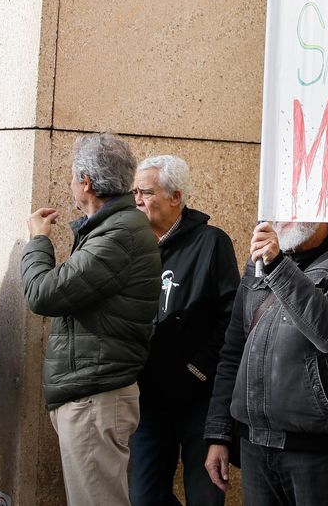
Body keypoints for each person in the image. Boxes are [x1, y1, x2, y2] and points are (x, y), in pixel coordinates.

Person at [21, 132, 162, 506]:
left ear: (85, 181)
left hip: (95, 399)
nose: (70, 184)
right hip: (90, 395)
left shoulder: (119, 233)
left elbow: (43, 293)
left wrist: (38, 241)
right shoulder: (112, 228)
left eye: (71, 176)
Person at [203, 219, 328, 506]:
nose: (282, 216)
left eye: (295, 205)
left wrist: (278, 266)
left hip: (316, 451)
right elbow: (235, 349)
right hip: (254, 444)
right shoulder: (262, 259)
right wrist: (219, 434)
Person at [129, 155, 238, 506]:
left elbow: (232, 317)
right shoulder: (132, 245)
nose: (137, 200)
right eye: (135, 192)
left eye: (146, 192)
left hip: (199, 400)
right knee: (143, 497)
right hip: (147, 399)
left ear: (176, 196)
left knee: (205, 496)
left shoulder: (211, 243)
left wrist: (198, 367)